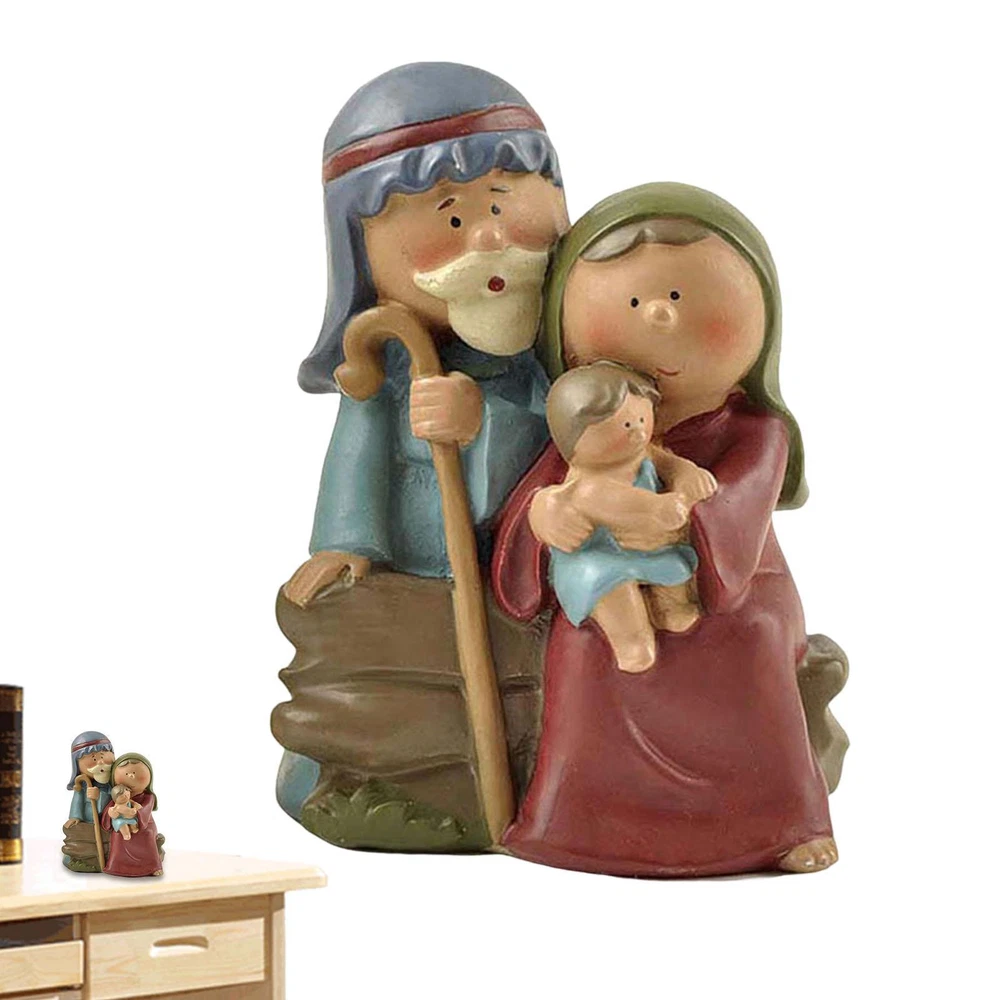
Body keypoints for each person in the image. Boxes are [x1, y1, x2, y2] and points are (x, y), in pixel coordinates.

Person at [492, 185, 839, 876]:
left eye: (682, 298)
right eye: (631, 303)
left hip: (738, 581)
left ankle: (783, 821)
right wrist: (545, 517)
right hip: (611, 576)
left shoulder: (756, 431)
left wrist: (687, 527)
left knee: (751, 636)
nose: (658, 315)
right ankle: (578, 821)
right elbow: (535, 509)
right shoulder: (589, 430)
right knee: (580, 640)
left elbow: (738, 511)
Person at [274, 62, 569, 825]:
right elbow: (357, 453)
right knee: (373, 642)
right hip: (417, 564)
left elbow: (572, 432)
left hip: (524, 570)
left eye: (503, 203)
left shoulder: (552, 352)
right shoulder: (387, 361)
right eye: (451, 219)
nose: (490, 238)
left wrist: (489, 422)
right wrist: (347, 542)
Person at [539, 362, 713, 672]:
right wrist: (659, 509)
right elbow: (628, 505)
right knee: (616, 593)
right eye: (625, 425)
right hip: (598, 559)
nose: (638, 432)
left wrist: (687, 473)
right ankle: (631, 641)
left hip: (645, 549)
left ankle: (667, 607)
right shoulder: (587, 486)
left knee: (677, 566)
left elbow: (669, 464)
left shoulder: (644, 454)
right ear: (575, 438)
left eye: (642, 419)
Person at [101, 754, 162, 877]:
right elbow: (109, 812)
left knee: (147, 835)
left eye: (135, 773)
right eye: (126, 774)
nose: (131, 776)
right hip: (122, 826)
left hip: (144, 825)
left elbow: (144, 811)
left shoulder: (148, 797)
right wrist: (111, 813)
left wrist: (134, 813)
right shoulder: (117, 798)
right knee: (117, 835)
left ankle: (152, 866)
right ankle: (117, 866)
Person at [61, 730, 114, 872]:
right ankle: (84, 856)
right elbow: (77, 802)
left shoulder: (114, 782)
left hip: (109, 821)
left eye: (103, 756)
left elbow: (117, 796)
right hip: (89, 821)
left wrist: (101, 795)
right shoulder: (82, 784)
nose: (101, 762)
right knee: (77, 832)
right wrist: (75, 817)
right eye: (94, 759)